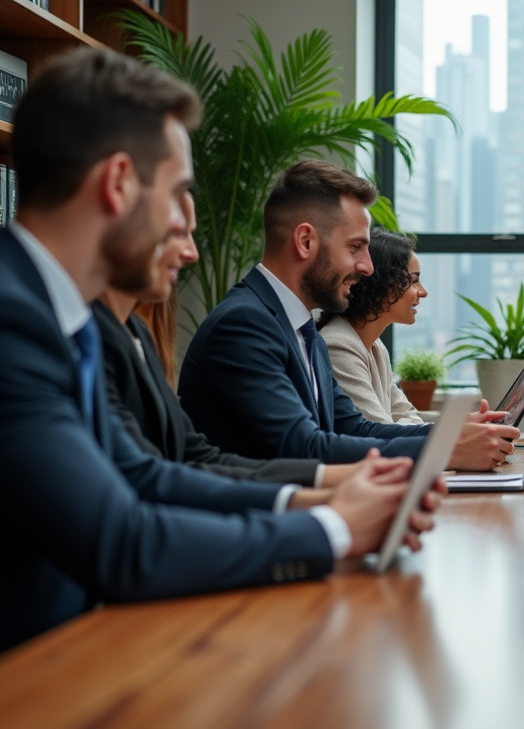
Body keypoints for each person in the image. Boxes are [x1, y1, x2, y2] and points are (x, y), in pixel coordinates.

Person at [0, 48, 440, 652]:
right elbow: (124, 542)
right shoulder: (15, 320)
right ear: (119, 183)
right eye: (179, 194)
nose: (190, 235)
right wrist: (332, 527)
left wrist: (326, 497)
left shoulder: (61, 317)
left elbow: (150, 473)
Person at [178, 161, 518, 470]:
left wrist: (450, 432)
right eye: (355, 247)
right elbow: (304, 447)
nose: (368, 267)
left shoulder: (303, 329)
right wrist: (447, 449)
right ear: (306, 241)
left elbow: (355, 428)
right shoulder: (244, 324)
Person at [97, 192, 353, 486]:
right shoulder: (243, 322)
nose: (192, 253)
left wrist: (330, 485)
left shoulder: (136, 333)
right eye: (179, 232)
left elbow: (197, 457)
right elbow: (151, 480)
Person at [319, 227, 426, 425]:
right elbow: (377, 431)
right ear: (383, 282)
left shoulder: (376, 347)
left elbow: (406, 413)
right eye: (414, 281)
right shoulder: (337, 346)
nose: (423, 292)